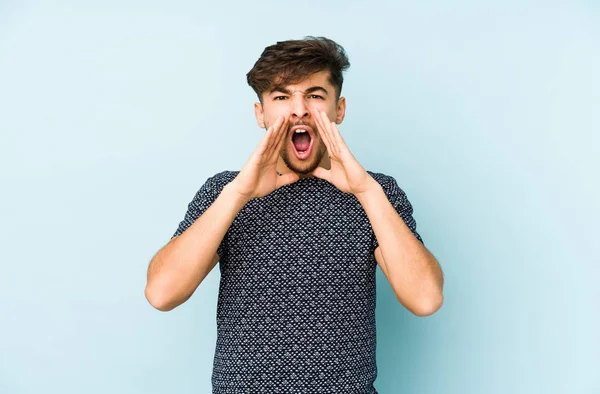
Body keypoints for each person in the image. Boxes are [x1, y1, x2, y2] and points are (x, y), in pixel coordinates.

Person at [145, 36, 444, 393]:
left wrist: (366, 191)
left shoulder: (377, 193)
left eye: (315, 96)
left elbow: (425, 299)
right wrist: (239, 194)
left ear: (339, 110)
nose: (299, 110)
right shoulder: (224, 192)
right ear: (261, 114)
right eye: (282, 97)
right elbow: (162, 293)